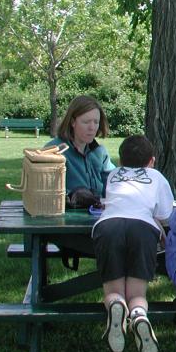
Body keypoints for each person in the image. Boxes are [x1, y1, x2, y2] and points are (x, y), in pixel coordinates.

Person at [93, 135, 175, 352]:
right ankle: (139, 315)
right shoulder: (156, 176)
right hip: (142, 228)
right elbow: (166, 215)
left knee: (113, 291)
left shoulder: (113, 175)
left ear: (120, 161)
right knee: (137, 294)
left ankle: (116, 305)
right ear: (152, 161)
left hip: (108, 227)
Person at [45, 95, 116, 256]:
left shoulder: (99, 152)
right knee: (120, 246)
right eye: (86, 122)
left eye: (96, 122)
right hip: (66, 228)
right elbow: (46, 194)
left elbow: (114, 183)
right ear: (72, 121)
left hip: (99, 223)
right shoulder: (53, 151)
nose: (92, 128)